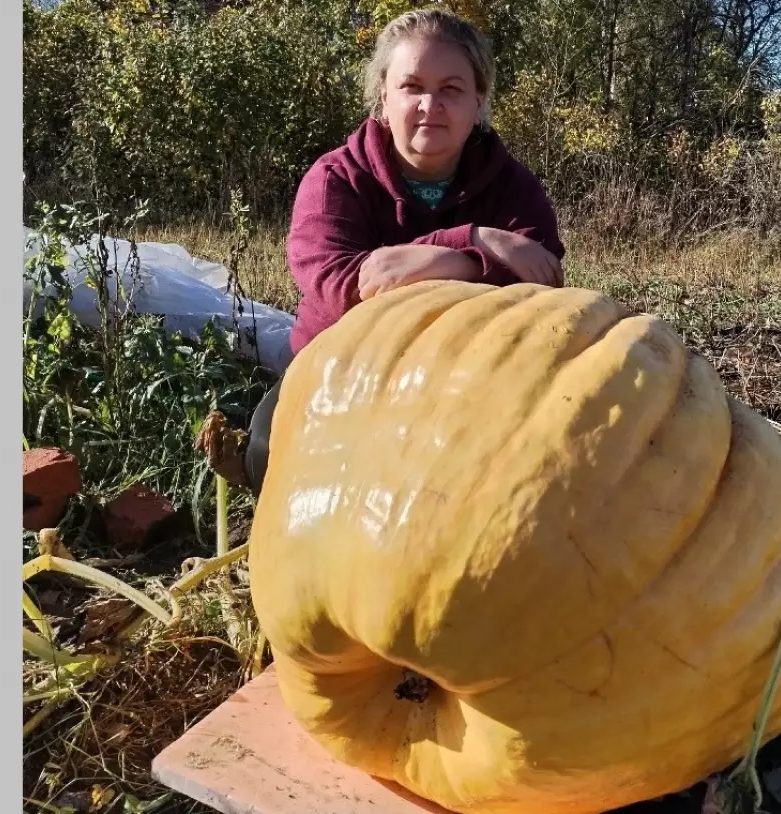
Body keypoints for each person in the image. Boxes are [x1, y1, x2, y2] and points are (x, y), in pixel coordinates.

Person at [238, 7, 566, 495]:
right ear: (383, 96)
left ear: (478, 101)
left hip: (471, 375)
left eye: (451, 88)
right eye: (412, 86)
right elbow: (342, 288)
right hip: (345, 367)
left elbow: (543, 281)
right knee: (267, 452)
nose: (430, 103)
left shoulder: (514, 185)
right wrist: (478, 244)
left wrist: (443, 253)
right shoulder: (334, 179)